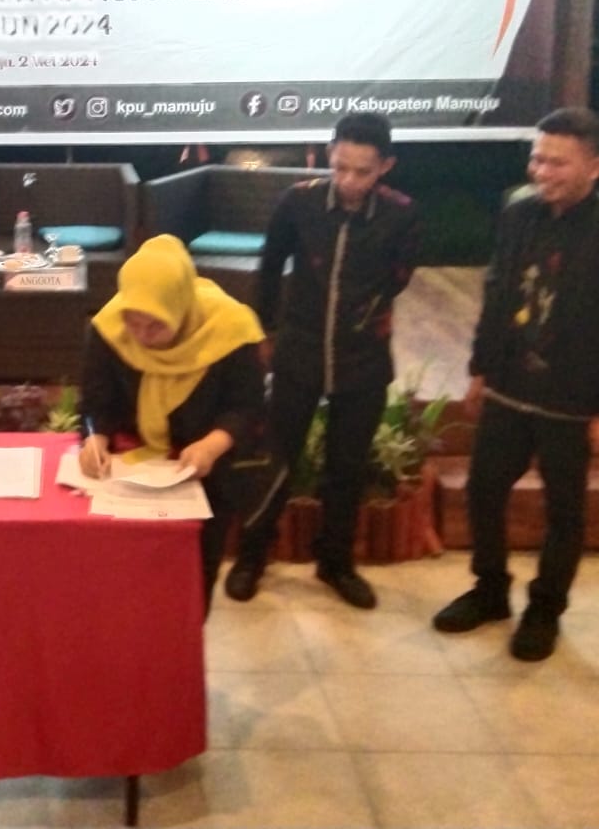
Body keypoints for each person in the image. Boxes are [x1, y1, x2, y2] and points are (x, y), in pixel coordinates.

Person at [433, 107, 599, 661]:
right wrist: (481, 368)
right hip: (509, 388)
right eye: (538, 158)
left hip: (573, 401)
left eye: (558, 162)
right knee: (484, 490)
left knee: (564, 510)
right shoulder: (518, 213)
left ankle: (545, 608)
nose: (542, 172)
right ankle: (490, 590)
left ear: (595, 167)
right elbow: (498, 292)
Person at [227, 112, 421, 609]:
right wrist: (265, 331)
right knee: (276, 457)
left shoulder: (401, 214)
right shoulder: (299, 201)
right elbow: (270, 267)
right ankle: (252, 556)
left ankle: (336, 562)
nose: (349, 180)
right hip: (299, 350)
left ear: (386, 167)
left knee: (347, 466)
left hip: (363, 358)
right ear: (329, 155)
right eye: (340, 167)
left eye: (362, 171)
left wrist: (366, 314)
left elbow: (398, 278)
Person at [78, 234, 267, 609]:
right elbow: (96, 401)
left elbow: (247, 406)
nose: (142, 337)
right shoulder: (110, 328)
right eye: (134, 323)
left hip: (204, 469)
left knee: (190, 582)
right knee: (126, 582)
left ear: (180, 308)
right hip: (131, 468)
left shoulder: (230, 329)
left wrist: (212, 445)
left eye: (156, 326)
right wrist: (94, 438)